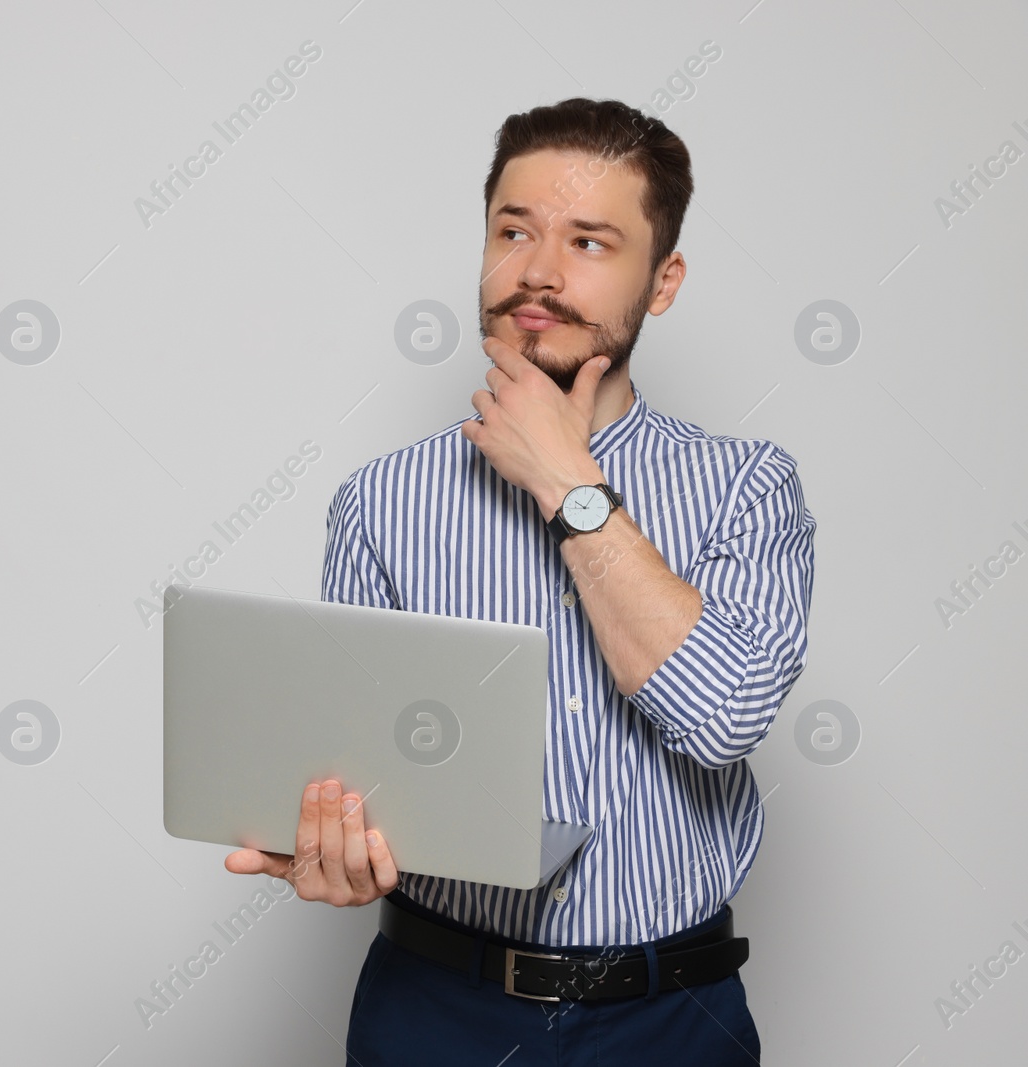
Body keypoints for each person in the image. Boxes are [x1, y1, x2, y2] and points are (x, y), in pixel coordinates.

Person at [224, 97, 816, 1065]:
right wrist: (333, 844)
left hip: (671, 1020)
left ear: (661, 281)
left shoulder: (746, 487)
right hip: (434, 1013)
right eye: (514, 230)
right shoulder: (380, 502)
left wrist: (564, 480)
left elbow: (723, 715)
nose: (538, 270)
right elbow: (360, 773)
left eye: (589, 241)